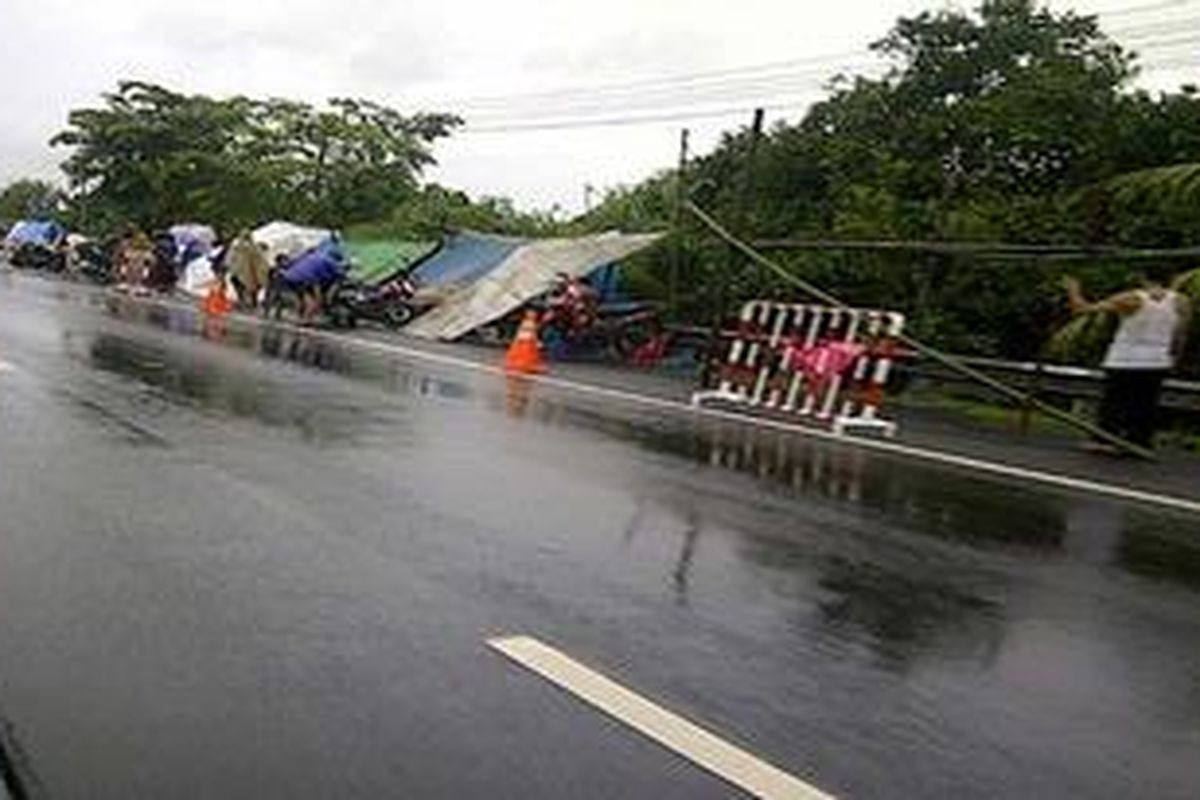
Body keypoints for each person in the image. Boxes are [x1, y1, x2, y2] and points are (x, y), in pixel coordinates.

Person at [1065, 270, 1192, 450]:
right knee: (1145, 404)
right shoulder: (1181, 302)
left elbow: (1083, 309)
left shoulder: (1132, 298)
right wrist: (1174, 358)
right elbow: (1181, 335)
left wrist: (1073, 289)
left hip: (1125, 359)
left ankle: (1106, 439)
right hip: (1158, 360)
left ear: (1142, 278)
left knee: (1115, 402)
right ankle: (1139, 441)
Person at [280, 247, 345, 323]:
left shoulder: (308, 256)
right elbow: (339, 272)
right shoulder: (329, 260)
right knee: (316, 301)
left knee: (301, 299)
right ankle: (307, 319)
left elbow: (290, 263)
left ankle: (299, 317)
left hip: (290, 277)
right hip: (307, 279)